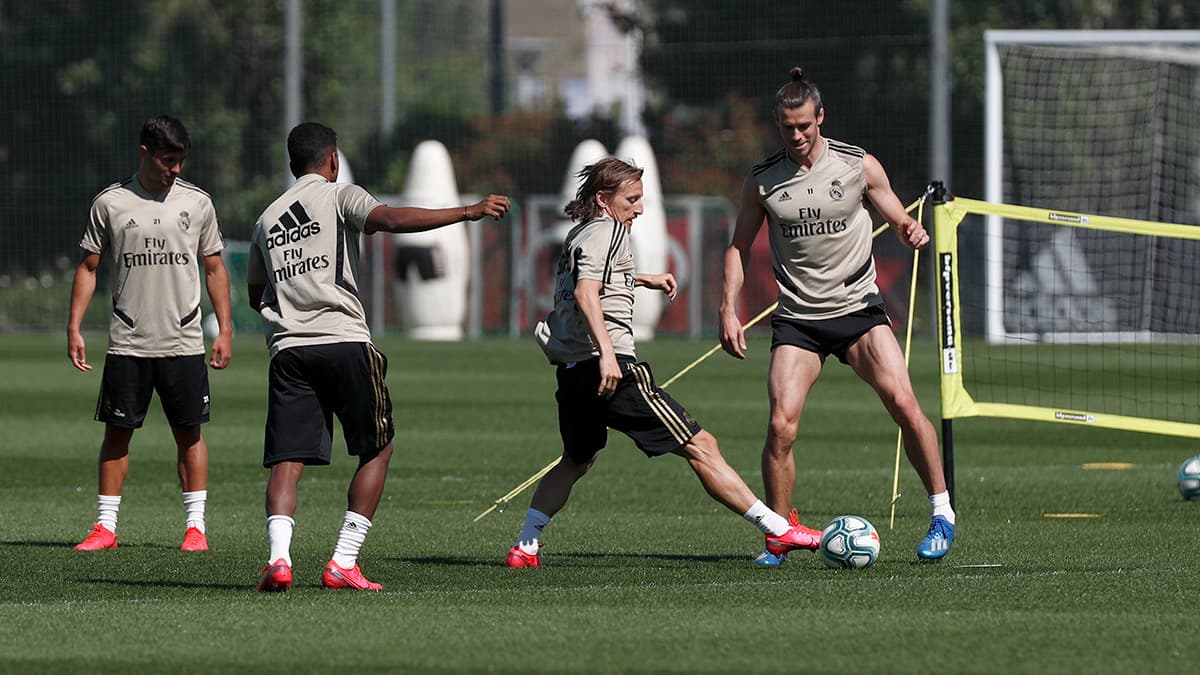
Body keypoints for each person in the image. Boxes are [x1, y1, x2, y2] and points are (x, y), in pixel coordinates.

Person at [505, 157, 822, 569]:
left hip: (572, 373)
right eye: (632, 200)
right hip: (611, 369)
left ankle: (525, 547)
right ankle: (777, 530)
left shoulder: (582, 232)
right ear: (604, 200)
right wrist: (606, 355)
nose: (639, 209)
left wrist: (642, 278)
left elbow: (591, 280)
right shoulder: (611, 230)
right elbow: (586, 294)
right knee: (701, 446)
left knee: (577, 459)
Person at [247, 122, 510, 592]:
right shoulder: (340, 194)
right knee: (377, 446)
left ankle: (279, 560)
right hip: (344, 340)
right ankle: (343, 561)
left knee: (287, 461)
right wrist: (468, 211)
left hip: (288, 350)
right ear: (332, 160)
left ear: (291, 164)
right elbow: (388, 220)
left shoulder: (267, 219)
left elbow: (255, 293)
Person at [719, 67, 955, 566]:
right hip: (799, 319)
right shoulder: (763, 180)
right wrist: (728, 307)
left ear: (821, 117)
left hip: (858, 310)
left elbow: (897, 215)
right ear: (778, 125)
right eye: (788, 128)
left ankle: (941, 512)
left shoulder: (857, 164)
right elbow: (739, 247)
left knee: (904, 403)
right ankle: (780, 536)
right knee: (781, 427)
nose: (798, 136)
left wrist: (910, 229)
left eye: (805, 125)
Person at [67, 114, 233, 553]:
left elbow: (215, 267)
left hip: (183, 341)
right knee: (117, 434)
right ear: (144, 153)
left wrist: (226, 328)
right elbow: (88, 266)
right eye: (167, 160)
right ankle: (105, 528)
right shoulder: (110, 203)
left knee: (189, 433)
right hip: (128, 340)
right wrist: (74, 326)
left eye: (180, 160)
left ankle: (195, 529)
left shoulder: (198, 203)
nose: (175, 168)